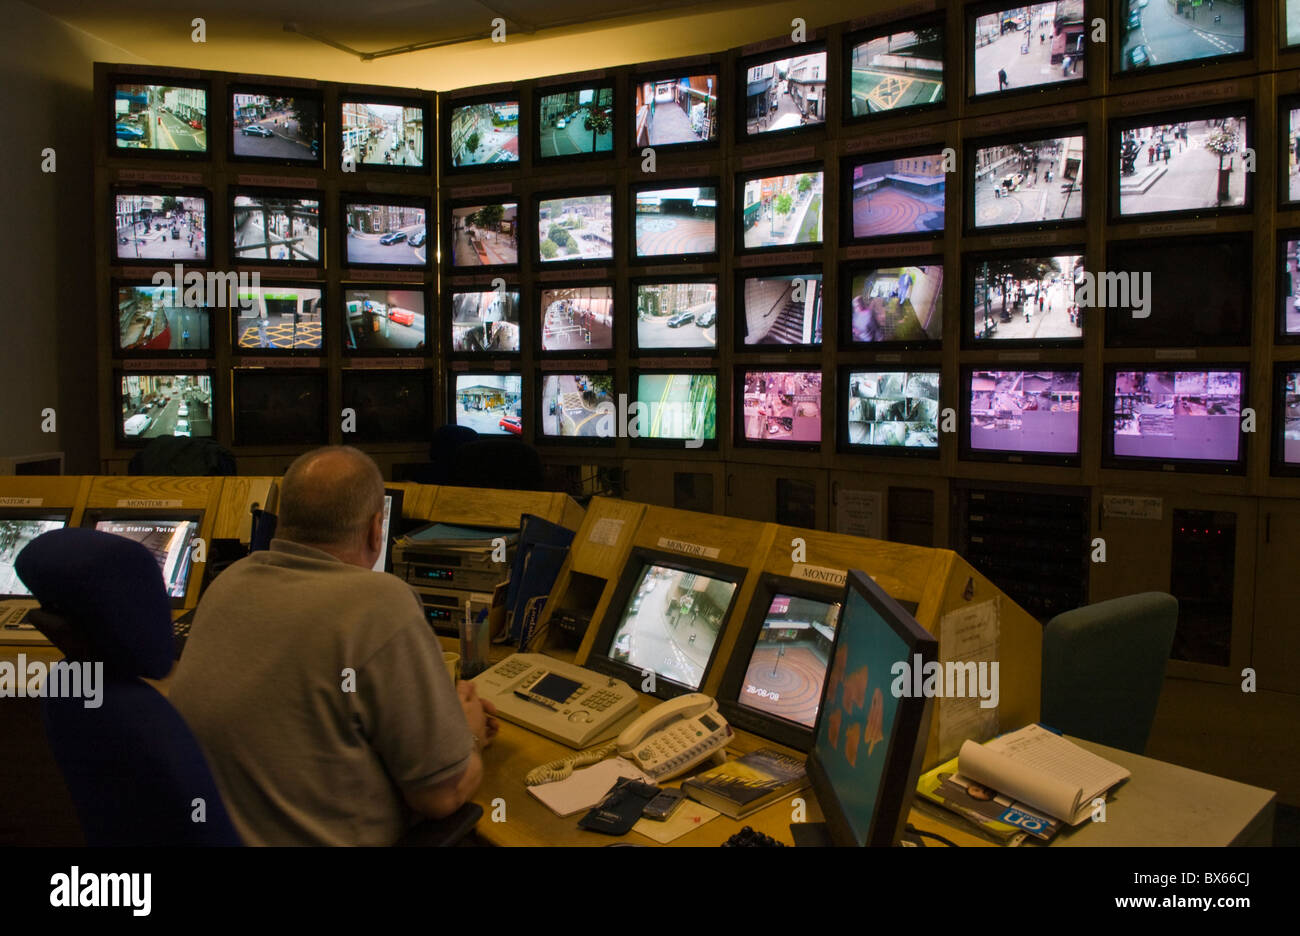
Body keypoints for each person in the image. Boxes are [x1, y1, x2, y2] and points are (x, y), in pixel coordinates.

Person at [170, 446, 497, 846]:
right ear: (377, 529)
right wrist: (468, 736)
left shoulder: (227, 585)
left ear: (282, 521)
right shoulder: (380, 603)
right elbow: (442, 795)